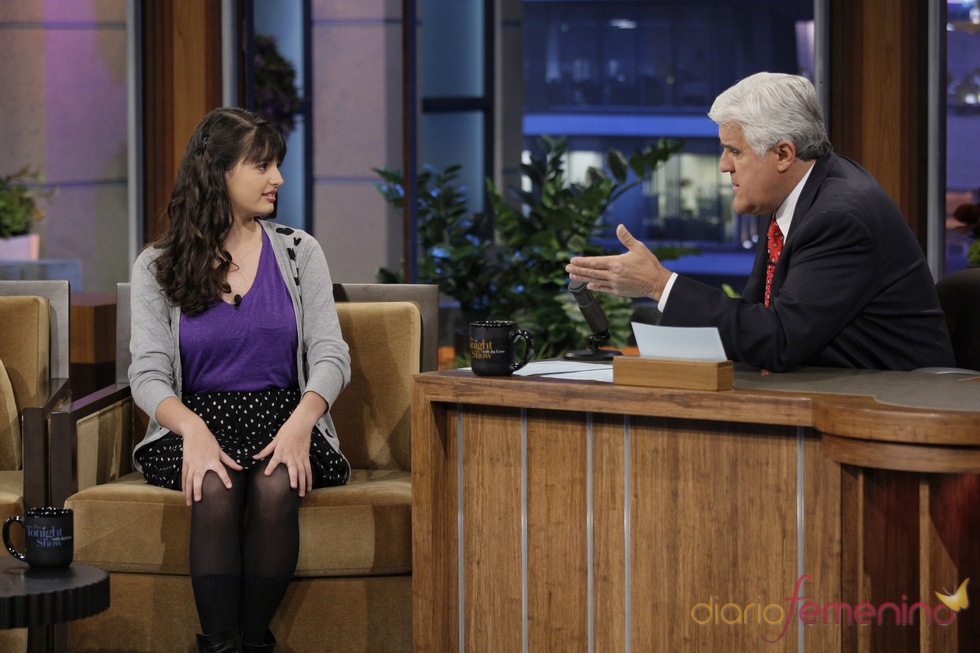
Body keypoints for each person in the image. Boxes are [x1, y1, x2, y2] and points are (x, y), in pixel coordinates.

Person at [129, 107, 351, 652]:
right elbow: (148, 373)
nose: (277, 178)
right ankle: (220, 645)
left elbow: (331, 353)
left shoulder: (300, 251)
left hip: (285, 416)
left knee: (277, 484)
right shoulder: (158, 264)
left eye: (277, 165)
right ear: (219, 172)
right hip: (197, 420)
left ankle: (253, 643)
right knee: (211, 485)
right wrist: (192, 432)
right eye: (262, 165)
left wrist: (304, 421)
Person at [567, 72, 955, 372]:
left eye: (734, 150)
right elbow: (756, 325)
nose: (723, 165)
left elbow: (778, 339)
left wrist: (658, 284)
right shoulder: (798, 198)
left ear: (784, 153)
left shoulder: (839, 216)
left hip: (898, 412)